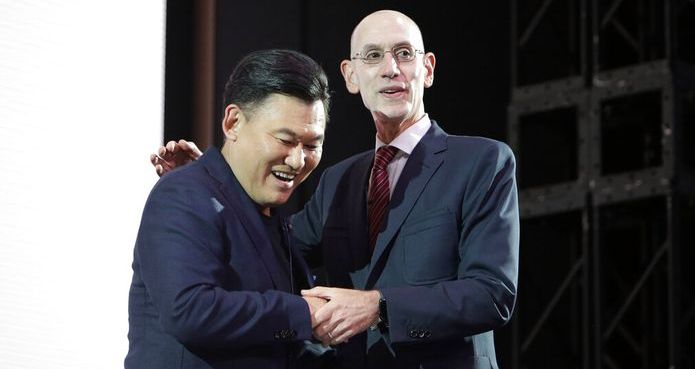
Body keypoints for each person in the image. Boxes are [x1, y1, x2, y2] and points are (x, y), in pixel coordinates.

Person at [154, 10, 519, 369]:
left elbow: (492, 294)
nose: (391, 68)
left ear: (428, 69)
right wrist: (219, 185)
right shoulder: (338, 180)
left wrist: (379, 307)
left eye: (405, 53)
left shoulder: (482, 162)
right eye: (374, 55)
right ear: (351, 76)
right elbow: (270, 252)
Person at [126, 49, 332, 369]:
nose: (297, 160)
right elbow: (190, 311)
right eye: (285, 139)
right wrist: (306, 312)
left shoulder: (269, 219)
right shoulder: (182, 193)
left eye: (311, 145)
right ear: (233, 122)